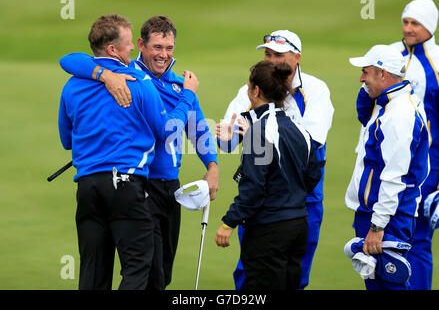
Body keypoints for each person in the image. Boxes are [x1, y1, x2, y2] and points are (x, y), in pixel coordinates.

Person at [59, 15, 218, 290]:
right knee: (145, 270)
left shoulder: (181, 86)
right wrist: (105, 74)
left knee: (161, 275)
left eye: (169, 48)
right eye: (157, 47)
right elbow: (70, 59)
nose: (164, 54)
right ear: (141, 45)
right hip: (140, 185)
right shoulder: (130, 75)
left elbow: (199, 129)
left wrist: (213, 165)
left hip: (169, 188)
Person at [216, 30, 333, 289]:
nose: (271, 60)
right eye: (268, 54)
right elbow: (226, 142)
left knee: (296, 279)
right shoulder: (248, 90)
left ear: (297, 57)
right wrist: (230, 136)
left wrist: (255, 134)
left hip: (305, 201)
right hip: (259, 205)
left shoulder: (315, 90)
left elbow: (309, 145)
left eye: (278, 55)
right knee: (249, 274)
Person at [345, 44, 430, 290]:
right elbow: (363, 107)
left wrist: (377, 226)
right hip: (376, 213)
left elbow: (395, 177)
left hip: (388, 218)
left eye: (366, 72)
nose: (361, 79)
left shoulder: (399, 114)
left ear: (383, 74)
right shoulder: (387, 103)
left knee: (389, 286)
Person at [390, 0, 439, 290]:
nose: (408, 29)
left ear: (430, 27)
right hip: (386, 164)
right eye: (405, 22)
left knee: (418, 240)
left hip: (427, 168)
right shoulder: (388, 55)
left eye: (415, 23)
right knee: (383, 239)